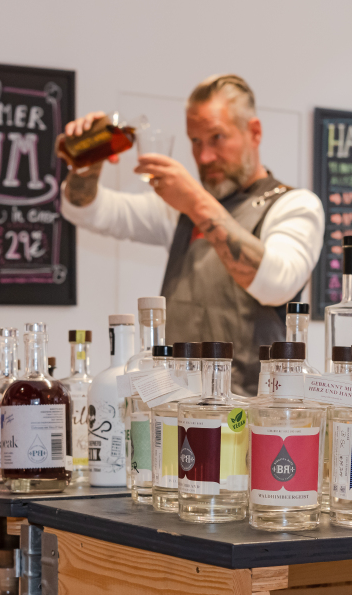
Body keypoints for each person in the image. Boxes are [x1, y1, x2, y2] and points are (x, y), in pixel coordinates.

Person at [58, 74, 324, 395]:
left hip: (249, 415)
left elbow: (276, 283)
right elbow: (87, 210)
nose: (204, 156)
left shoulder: (294, 205)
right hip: (176, 405)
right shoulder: (180, 210)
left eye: (216, 138)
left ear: (254, 132)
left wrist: (196, 202)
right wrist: (87, 163)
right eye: (195, 141)